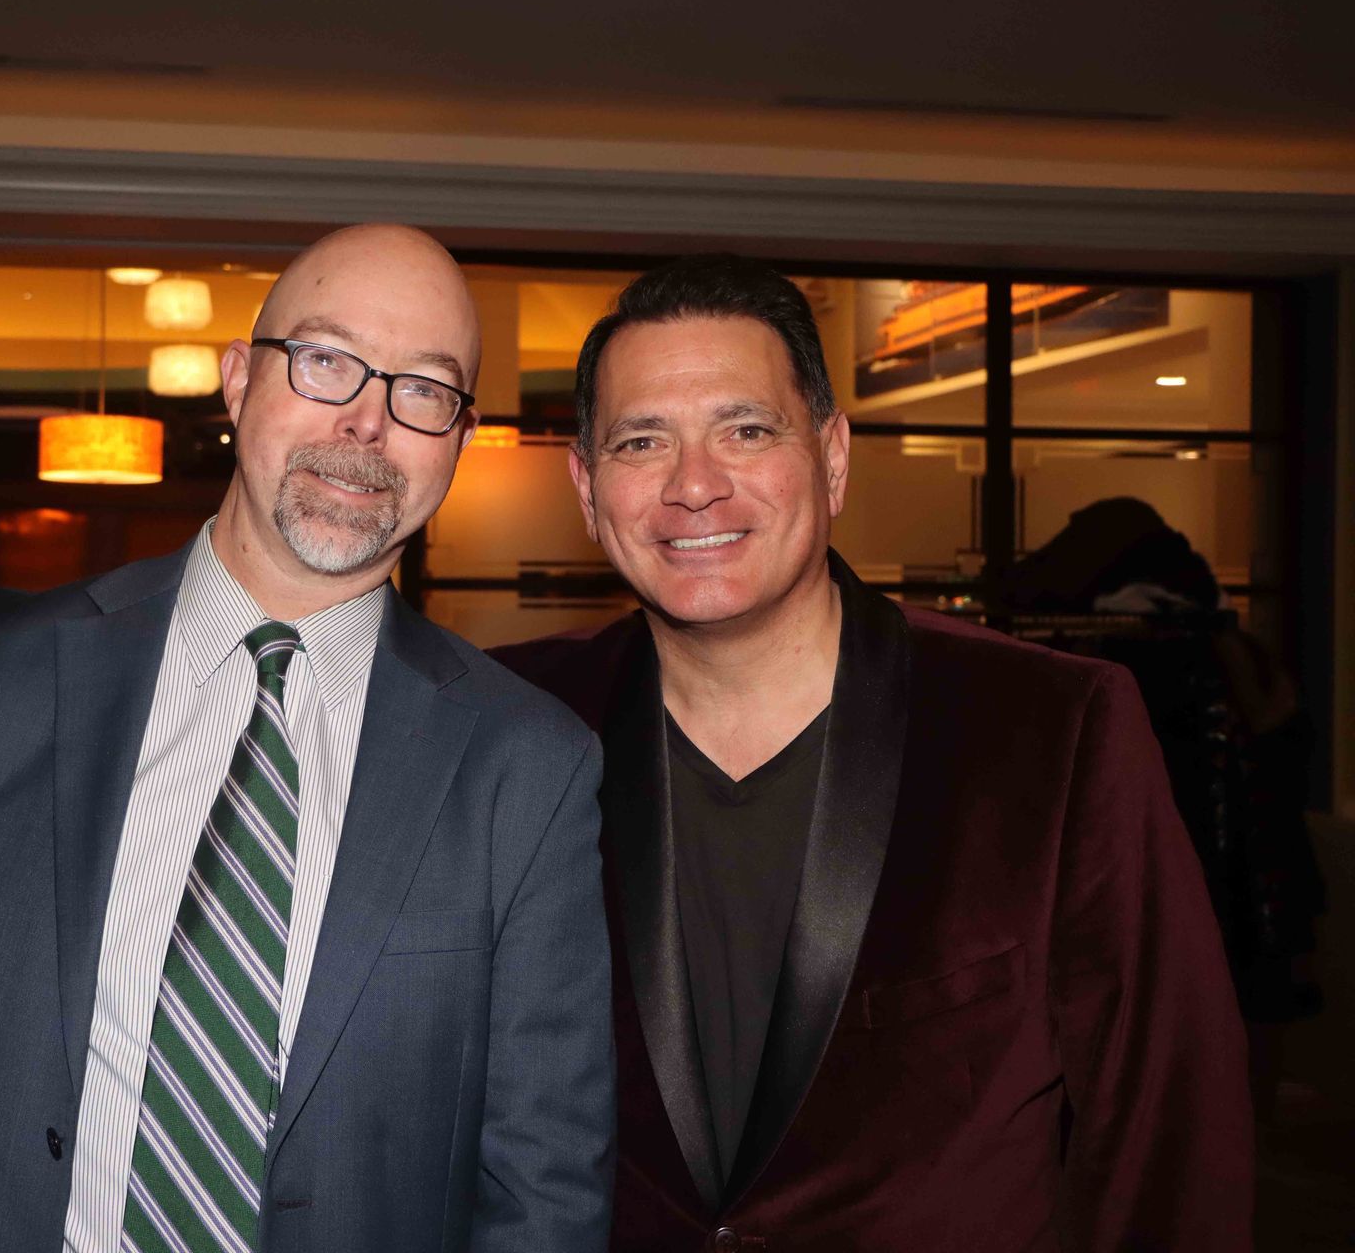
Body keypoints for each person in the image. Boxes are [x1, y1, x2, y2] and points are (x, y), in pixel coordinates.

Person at [0, 225, 613, 1253]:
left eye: (424, 389)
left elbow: (544, 1178)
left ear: (459, 441)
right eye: (327, 360)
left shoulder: (530, 763)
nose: (367, 421)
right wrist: (4, 1191)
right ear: (239, 380)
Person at [494, 255, 1252, 1251]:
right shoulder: (514, 723)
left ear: (834, 455)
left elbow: (1168, 1123)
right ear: (589, 489)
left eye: (746, 429)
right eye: (642, 441)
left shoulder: (1049, 725)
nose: (694, 484)